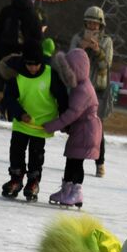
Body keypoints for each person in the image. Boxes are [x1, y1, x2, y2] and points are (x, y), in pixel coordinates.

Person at [0, 40, 68, 201]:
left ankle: (33, 181)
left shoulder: (51, 75)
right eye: (29, 64)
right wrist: (20, 113)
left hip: (42, 125)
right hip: (21, 123)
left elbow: (62, 97)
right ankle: (16, 179)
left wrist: (64, 119)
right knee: (16, 151)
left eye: (36, 65)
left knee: (36, 155)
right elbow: (8, 98)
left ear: (41, 62)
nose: (32, 68)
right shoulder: (17, 75)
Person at [44, 49, 102, 209]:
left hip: (86, 132)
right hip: (80, 130)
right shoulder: (79, 86)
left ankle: (76, 192)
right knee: (71, 161)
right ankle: (66, 190)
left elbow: (72, 114)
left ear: (76, 70)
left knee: (77, 163)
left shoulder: (83, 90)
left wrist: (52, 126)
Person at [70, 6, 114, 177]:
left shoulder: (107, 41)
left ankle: (100, 162)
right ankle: (75, 160)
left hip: (98, 89)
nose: (92, 26)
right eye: (89, 22)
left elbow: (106, 66)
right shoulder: (77, 38)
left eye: (96, 23)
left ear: (101, 25)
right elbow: (70, 64)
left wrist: (98, 51)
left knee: (97, 127)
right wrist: (81, 48)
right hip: (80, 88)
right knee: (77, 126)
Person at [0, 0, 44, 65]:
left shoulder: (6, 11)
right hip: (22, 54)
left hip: (3, 51)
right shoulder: (33, 16)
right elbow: (38, 38)